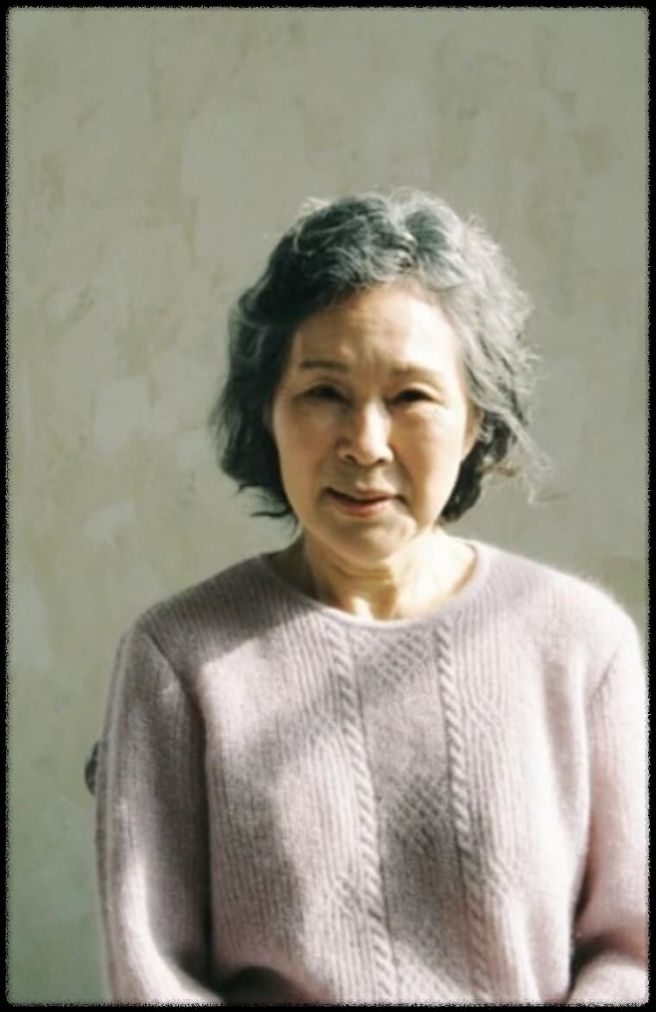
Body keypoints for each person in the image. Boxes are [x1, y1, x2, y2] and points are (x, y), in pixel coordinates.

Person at [92, 188, 647, 1005]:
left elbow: (633, 952)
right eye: (324, 393)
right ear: (268, 413)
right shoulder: (179, 657)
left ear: (474, 421)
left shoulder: (580, 643)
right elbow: (153, 975)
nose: (365, 443)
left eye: (411, 396)